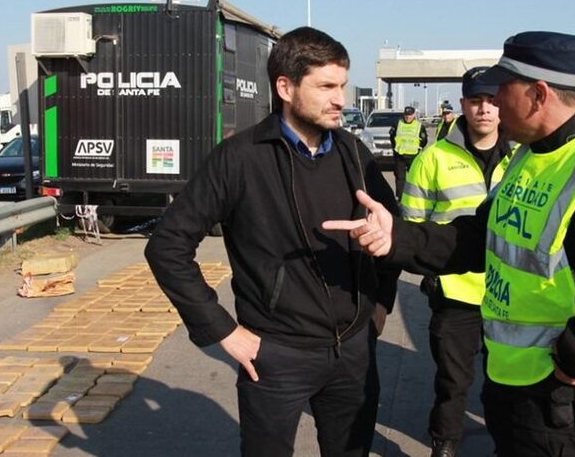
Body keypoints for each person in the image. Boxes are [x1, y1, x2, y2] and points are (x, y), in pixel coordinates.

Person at [324, 31, 575, 457]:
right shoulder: (529, 156)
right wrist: (397, 236)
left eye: (501, 90)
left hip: (566, 408)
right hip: (513, 389)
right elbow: (477, 237)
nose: (492, 104)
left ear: (537, 95)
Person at [144, 26, 400, 457]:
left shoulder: (355, 153)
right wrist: (223, 330)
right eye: (326, 86)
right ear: (285, 86)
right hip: (276, 356)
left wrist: (378, 309)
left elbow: (395, 232)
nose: (341, 98)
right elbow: (167, 245)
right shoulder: (240, 157)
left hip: (354, 352)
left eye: (342, 85)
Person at [401, 66, 512, 457]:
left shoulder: (524, 157)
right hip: (456, 294)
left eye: (492, 100)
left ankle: (507, 442)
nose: (485, 109)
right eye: (476, 100)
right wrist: (431, 276)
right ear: (463, 104)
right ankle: (445, 443)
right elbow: (411, 228)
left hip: (512, 296)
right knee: (453, 381)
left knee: (509, 383)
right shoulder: (431, 158)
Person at [389, 105, 427, 199]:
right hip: (400, 155)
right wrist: (396, 148)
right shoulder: (398, 124)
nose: (408, 117)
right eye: (406, 115)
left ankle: (415, 196)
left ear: (414, 115)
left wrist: (418, 149)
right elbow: (392, 137)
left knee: (415, 177)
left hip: (413, 156)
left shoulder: (419, 126)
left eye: (410, 115)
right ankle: (400, 198)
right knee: (400, 178)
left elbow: (424, 140)